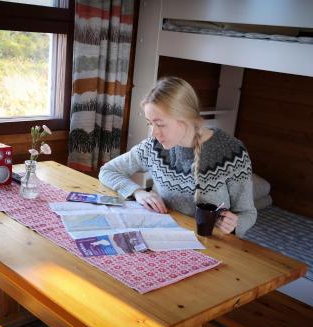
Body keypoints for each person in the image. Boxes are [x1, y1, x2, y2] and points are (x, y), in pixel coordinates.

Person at [99, 77, 256, 237]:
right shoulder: (153, 147)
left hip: (214, 245)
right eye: (149, 123)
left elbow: (248, 213)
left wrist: (235, 223)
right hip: (163, 237)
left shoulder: (232, 152)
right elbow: (108, 171)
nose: (153, 132)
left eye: (160, 124)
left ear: (186, 119)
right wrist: (138, 192)